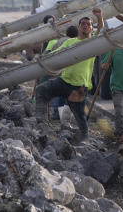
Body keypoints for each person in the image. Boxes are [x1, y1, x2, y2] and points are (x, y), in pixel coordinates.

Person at [35, 8, 104, 141]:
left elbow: (101, 31)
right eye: (82, 23)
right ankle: (41, 123)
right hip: (64, 81)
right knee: (41, 90)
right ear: (78, 27)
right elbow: (56, 54)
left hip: (79, 86)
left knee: (79, 116)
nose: (85, 25)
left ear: (91, 29)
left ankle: (84, 139)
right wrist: (44, 59)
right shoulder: (69, 42)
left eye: (88, 24)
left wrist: (100, 17)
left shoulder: (93, 43)